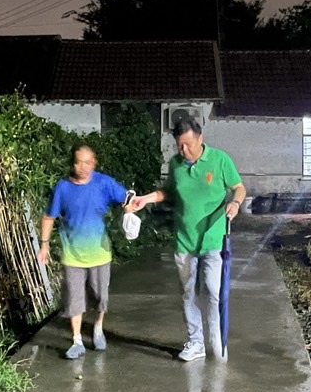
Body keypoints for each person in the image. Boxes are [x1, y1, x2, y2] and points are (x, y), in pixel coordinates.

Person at [132, 118, 245, 362]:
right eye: (179, 146)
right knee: (188, 293)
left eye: (188, 145)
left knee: (214, 292)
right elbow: (168, 192)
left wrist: (235, 203)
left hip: (213, 240)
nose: (184, 151)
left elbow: (239, 187)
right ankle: (196, 343)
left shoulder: (219, 160)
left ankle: (217, 340)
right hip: (185, 240)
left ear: (200, 139)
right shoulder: (176, 164)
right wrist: (146, 199)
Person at [38, 144, 135, 360]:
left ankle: (98, 326)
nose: (83, 167)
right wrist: (44, 244)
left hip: (99, 252)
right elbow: (49, 217)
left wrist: (129, 209)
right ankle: (77, 340)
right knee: (74, 298)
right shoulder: (63, 187)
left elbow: (125, 198)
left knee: (100, 296)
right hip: (72, 253)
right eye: (78, 162)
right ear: (73, 163)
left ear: (94, 163)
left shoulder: (103, 182)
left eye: (87, 162)